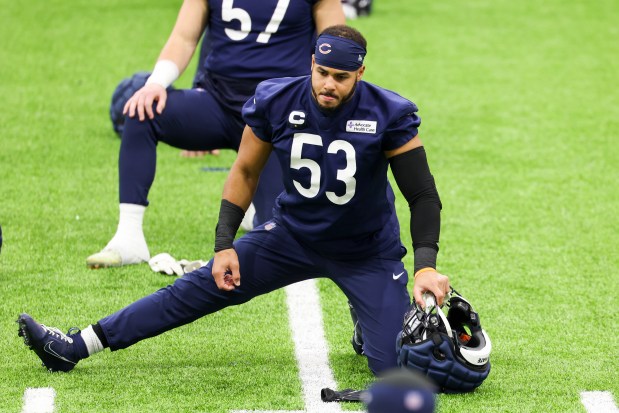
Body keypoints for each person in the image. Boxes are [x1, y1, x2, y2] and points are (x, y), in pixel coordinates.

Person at [18, 26, 450, 378]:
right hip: (291, 237)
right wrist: (224, 243)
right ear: (311, 64)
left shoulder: (388, 112)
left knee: (396, 370)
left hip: (366, 251)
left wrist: (425, 263)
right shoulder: (277, 100)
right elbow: (245, 171)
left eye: (340, 77)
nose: (328, 85)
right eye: (322, 72)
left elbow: (422, 194)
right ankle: (77, 344)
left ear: (360, 73)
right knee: (193, 289)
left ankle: (367, 316)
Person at [87, 0, 346, 269]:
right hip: (218, 102)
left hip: (277, 117)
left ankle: (255, 210)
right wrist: (155, 83)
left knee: (279, 233)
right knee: (143, 111)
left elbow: (339, 47)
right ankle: (129, 237)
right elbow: (184, 37)